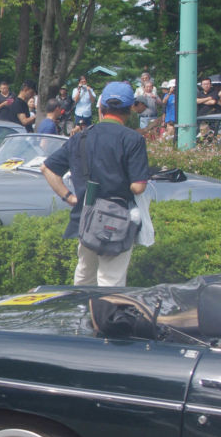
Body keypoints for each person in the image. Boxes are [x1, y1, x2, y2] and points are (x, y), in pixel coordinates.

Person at [42, 81, 149, 287]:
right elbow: (138, 187)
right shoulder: (133, 139)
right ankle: (105, 317)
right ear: (129, 110)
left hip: (85, 216)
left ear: (100, 108)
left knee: (84, 275)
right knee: (111, 279)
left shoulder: (80, 137)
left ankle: (82, 315)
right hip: (117, 220)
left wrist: (69, 197)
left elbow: (47, 168)